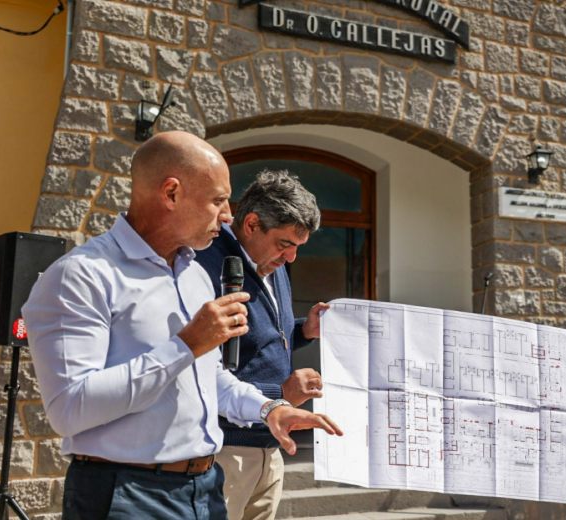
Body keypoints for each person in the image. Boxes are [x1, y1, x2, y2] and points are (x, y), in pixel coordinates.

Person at [21, 131, 342, 519]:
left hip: (204, 488)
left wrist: (268, 408)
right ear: (171, 193)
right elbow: (70, 409)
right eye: (218, 200)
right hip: (126, 493)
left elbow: (209, 377)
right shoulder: (81, 276)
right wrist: (186, 344)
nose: (227, 216)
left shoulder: (194, 275)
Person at [195, 170, 326, 520]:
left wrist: (304, 331)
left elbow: (258, 340)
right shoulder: (205, 264)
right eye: (285, 244)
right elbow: (200, 369)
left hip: (270, 448)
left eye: (298, 247)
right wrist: (279, 393)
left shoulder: (274, 262)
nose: (291, 257)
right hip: (224, 450)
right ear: (252, 224)